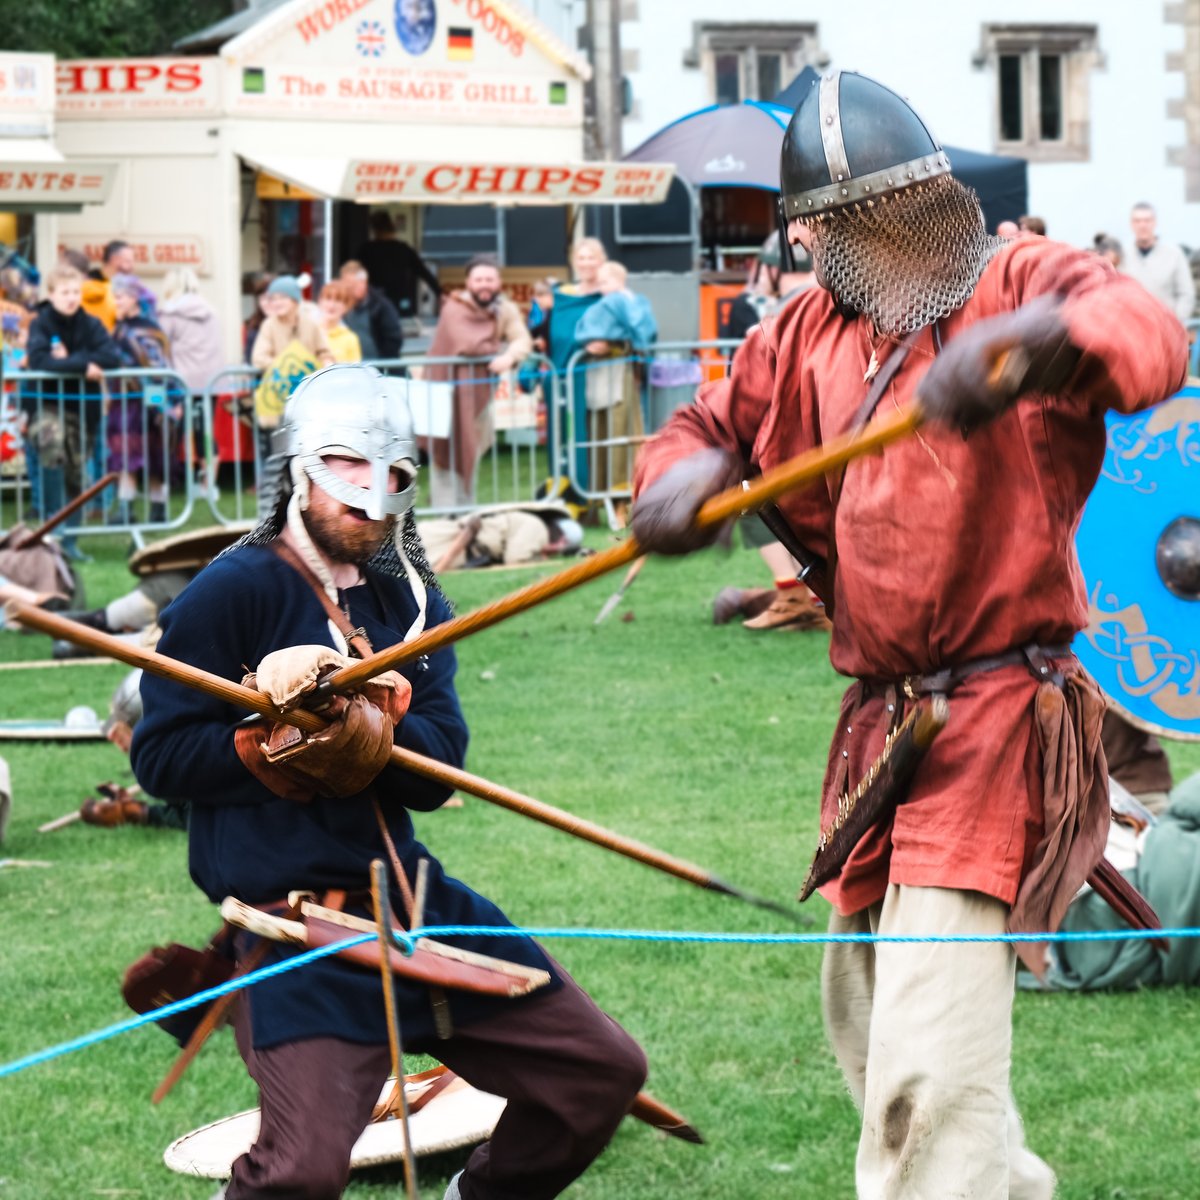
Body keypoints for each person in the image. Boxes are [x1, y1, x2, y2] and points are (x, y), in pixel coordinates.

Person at [630, 70, 1188, 1199]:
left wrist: (1038, 341)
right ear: (820, 237)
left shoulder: (1012, 280)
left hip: (994, 720)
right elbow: (706, 425)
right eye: (850, 225)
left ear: (933, 201)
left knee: (923, 1088)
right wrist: (679, 475)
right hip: (885, 733)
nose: (877, 240)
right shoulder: (799, 337)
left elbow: (1148, 330)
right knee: (872, 1023)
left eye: (896, 212)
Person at [129, 363, 647, 1200]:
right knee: (296, 1173)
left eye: (394, 475)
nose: (372, 496)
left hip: (411, 903)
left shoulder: (413, 605)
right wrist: (272, 749)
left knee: (598, 1075)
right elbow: (160, 756)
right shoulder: (232, 591)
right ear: (298, 466)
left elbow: (439, 768)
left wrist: (378, 727)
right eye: (347, 468)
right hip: (296, 929)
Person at [24, 264, 122, 559]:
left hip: (83, 409)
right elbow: (39, 360)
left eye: (75, 292)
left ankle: (71, 542)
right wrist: (82, 365)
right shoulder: (40, 324)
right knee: (51, 450)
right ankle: (53, 532)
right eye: (65, 292)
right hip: (48, 405)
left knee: (77, 473)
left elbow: (111, 357)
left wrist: (72, 358)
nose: (71, 298)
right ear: (51, 295)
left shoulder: (91, 324)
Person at [424, 255, 532, 507]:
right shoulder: (453, 307)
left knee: (471, 450)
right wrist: (500, 348)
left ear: (498, 282)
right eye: (479, 279)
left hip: (478, 399)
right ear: (468, 282)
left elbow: (522, 339)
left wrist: (510, 356)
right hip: (444, 396)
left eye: (489, 279)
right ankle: (445, 518)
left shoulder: (505, 309)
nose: (484, 284)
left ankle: (466, 515)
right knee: (445, 457)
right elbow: (469, 344)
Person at [573, 261, 657, 492]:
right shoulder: (607, 302)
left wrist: (634, 344)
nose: (602, 287)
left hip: (620, 374)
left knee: (624, 430)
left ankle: (624, 492)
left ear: (620, 281)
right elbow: (587, 328)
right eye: (599, 283)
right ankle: (603, 493)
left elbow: (640, 327)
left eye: (606, 282)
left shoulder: (625, 300)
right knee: (602, 431)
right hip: (601, 373)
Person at [108, 274, 178, 524]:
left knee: (154, 460)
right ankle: (126, 509)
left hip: (149, 403)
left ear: (135, 298)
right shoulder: (120, 327)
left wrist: (169, 401)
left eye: (122, 297)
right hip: (125, 402)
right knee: (126, 457)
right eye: (115, 297)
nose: (117, 302)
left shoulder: (148, 328)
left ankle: (157, 509)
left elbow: (159, 365)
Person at [353, 210, 441, 320]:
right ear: (392, 229)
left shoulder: (366, 250)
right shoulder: (403, 249)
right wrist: (439, 292)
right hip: (400, 298)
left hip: (375, 299)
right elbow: (423, 272)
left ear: (375, 230)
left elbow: (354, 273)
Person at [1122, 201, 1196, 323]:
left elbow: (1186, 294)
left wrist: (1175, 322)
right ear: (1131, 224)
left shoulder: (1174, 254)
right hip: (1131, 330)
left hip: (1165, 330)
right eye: (1137, 221)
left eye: (1147, 220)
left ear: (1155, 222)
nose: (1142, 225)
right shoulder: (1122, 256)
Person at [338, 260, 403, 360]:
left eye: (351, 286)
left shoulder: (381, 306)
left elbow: (394, 339)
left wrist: (381, 365)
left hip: (378, 368)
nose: (348, 290)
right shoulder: (341, 307)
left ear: (363, 283)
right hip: (351, 367)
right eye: (345, 286)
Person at [316, 281, 362, 363]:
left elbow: (354, 373)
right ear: (320, 302)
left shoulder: (350, 338)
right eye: (328, 298)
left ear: (346, 306)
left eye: (338, 300)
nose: (332, 305)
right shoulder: (310, 332)